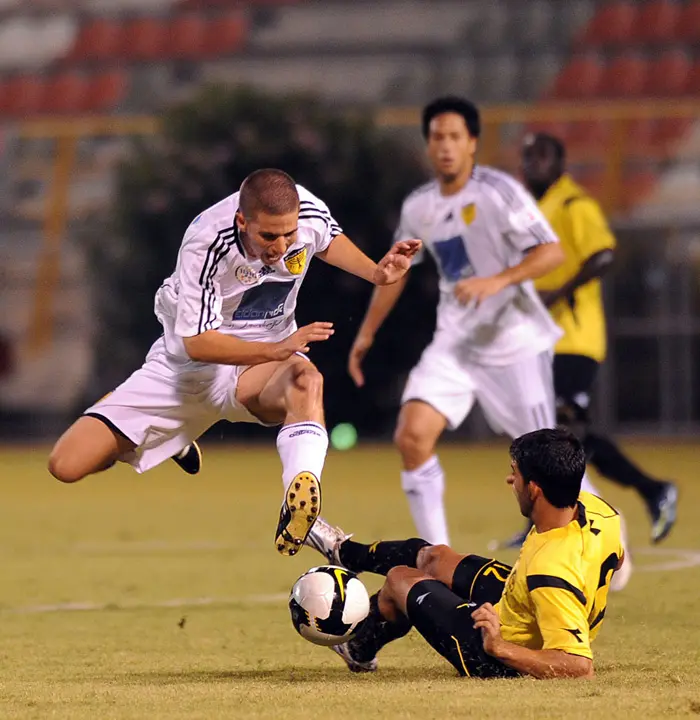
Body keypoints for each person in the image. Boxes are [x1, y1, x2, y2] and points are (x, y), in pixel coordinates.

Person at [48, 169, 420, 556]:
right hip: (184, 372)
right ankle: (166, 439)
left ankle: (299, 508)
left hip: (257, 370)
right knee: (66, 465)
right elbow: (198, 344)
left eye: (288, 235)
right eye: (268, 237)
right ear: (242, 221)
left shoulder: (305, 214)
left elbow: (327, 241)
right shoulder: (206, 242)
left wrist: (377, 273)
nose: (281, 247)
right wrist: (275, 351)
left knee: (305, 381)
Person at [347, 96, 565, 547]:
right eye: (437, 137)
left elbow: (551, 251)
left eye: (454, 137)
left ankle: (611, 544)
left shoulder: (498, 192)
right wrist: (366, 333)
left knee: (549, 465)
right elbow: (397, 273)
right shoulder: (419, 207)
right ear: (428, 145)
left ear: (472, 144)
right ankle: (440, 560)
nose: (445, 146)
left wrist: (498, 281)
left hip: (514, 343)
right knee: (411, 437)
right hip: (456, 343)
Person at [308, 428, 624, 679]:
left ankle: (358, 647)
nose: (510, 480)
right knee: (434, 556)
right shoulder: (598, 511)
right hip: (519, 604)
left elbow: (578, 667)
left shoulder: (551, 571)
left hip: (498, 653)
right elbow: (616, 560)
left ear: (535, 489)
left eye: (516, 473)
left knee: (399, 579)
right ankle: (344, 552)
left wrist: (500, 647)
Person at [520, 132, 677, 545]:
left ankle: (646, 493)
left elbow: (603, 254)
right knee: (565, 432)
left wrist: (559, 293)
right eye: (527, 158)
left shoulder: (574, 204)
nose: (532, 165)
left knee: (565, 430)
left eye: (541, 157)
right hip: (547, 341)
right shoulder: (538, 209)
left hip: (576, 337)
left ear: (559, 163)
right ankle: (647, 492)